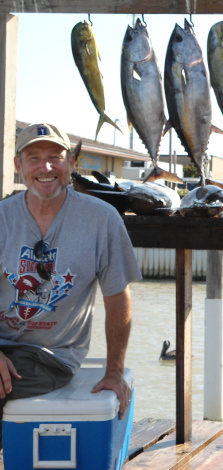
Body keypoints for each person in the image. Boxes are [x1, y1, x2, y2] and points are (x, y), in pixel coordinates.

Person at [0, 123, 142, 444]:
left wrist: (114, 373)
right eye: (33, 157)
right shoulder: (2, 217)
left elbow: (118, 297)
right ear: (18, 166)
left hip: (50, 356)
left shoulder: (102, 218)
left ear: (72, 164)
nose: (46, 167)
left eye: (56, 157)